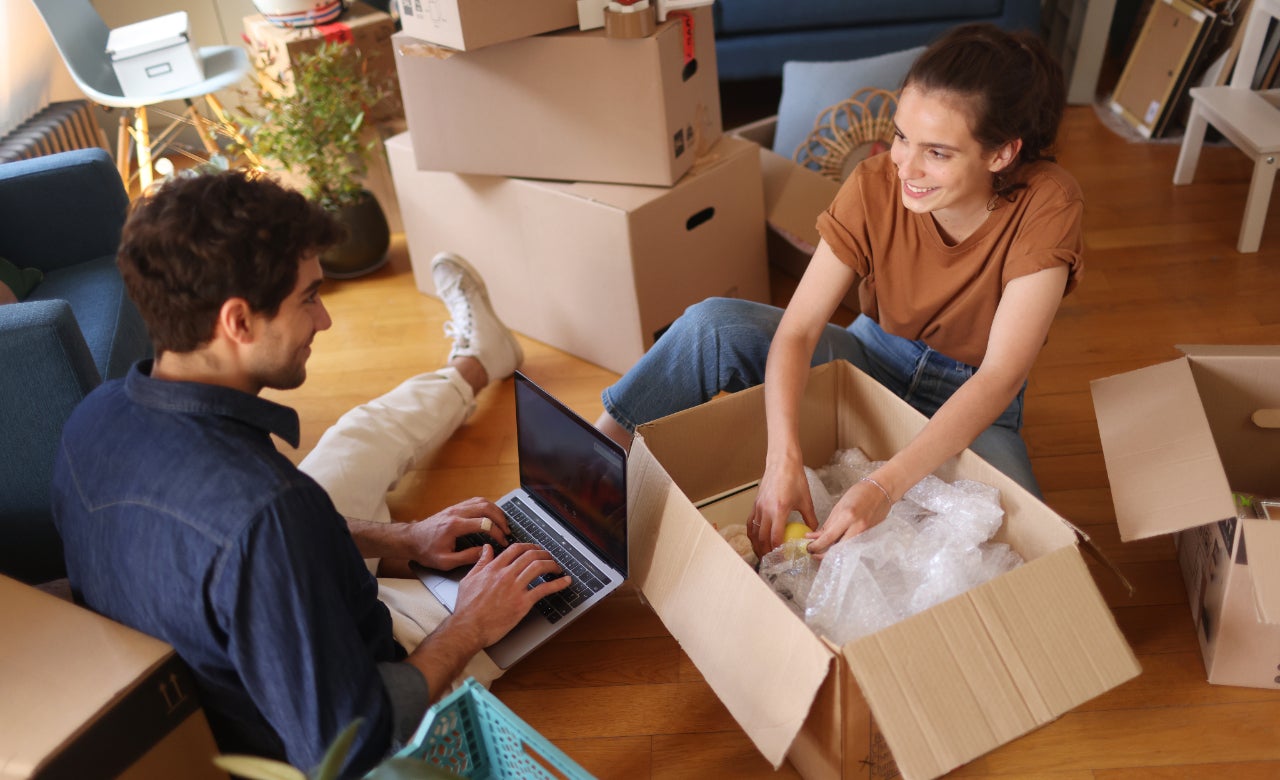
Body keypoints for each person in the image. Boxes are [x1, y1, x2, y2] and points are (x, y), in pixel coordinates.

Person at [50, 169, 572, 776]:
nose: (323, 321)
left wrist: (402, 538)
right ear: (238, 322)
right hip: (364, 688)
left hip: (252, 626)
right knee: (537, 568)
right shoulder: (270, 515)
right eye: (309, 298)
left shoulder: (90, 419)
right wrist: (469, 626)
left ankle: (477, 360)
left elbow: (233, 543)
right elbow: (351, 747)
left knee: (356, 435)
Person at [595, 23, 1082, 560]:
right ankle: (586, 466)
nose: (906, 166)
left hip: (971, 394)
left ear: (1001, 154)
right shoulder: (875, 182)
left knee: (1037, 551)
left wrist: (881, 487)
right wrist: (781, 460)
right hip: (872, 356)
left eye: (938, 153)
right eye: (901, 136)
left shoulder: (1048, 204)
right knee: (713, 325)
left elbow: (999, 376)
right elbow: (798, 329)